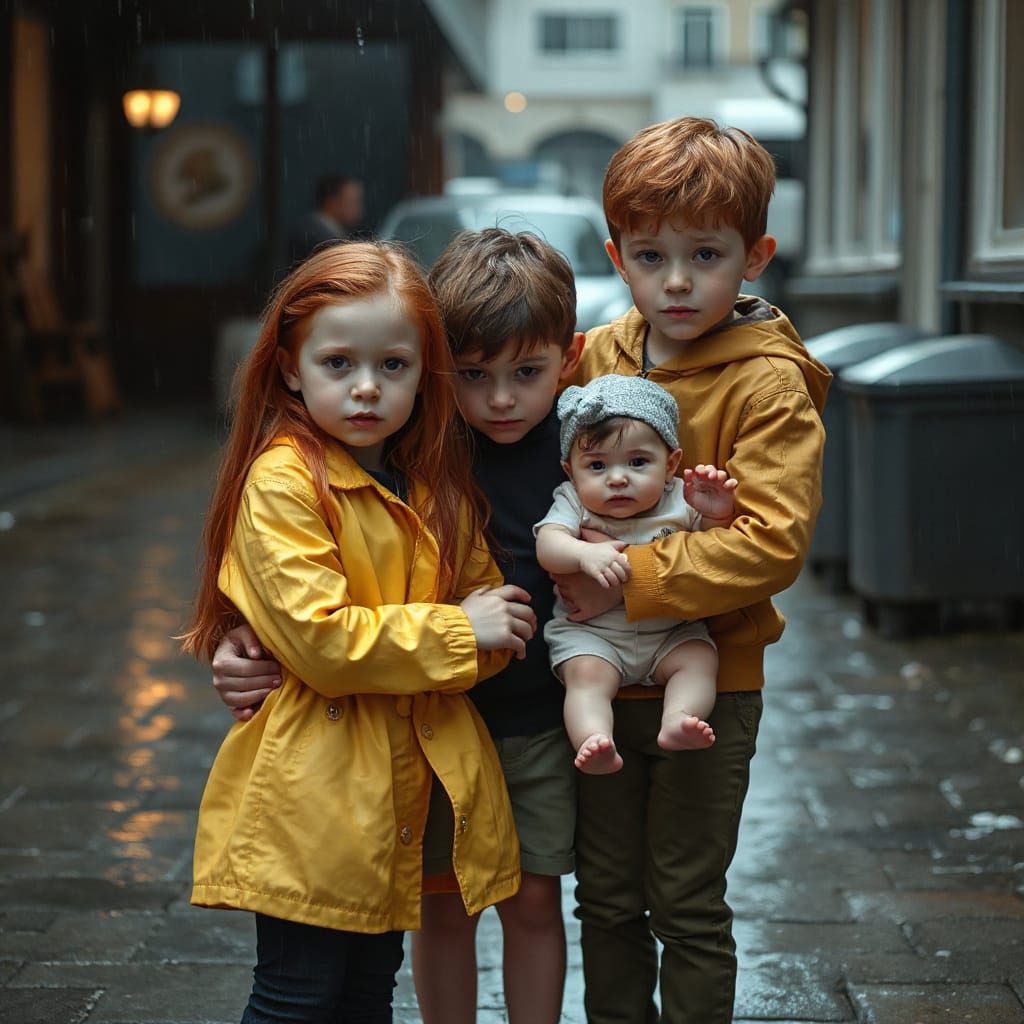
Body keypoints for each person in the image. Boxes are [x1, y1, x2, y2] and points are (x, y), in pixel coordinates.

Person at [208, 227, 585, 1024]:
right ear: (290, 367)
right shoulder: (286, 478)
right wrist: (457, 633)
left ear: (422, 372)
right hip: (315, 789)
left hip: (394, 784)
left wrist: (478, 638)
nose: (368, 389)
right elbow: (324, 640)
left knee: (364, 993)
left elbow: (494, 614)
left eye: (393, 366)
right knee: (296, 996)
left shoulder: (428, 478)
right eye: (338, 365)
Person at [549, 116, 831, 1023]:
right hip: (592, 683)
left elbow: (771, 543)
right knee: (605, 900)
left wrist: (632, 575)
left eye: (705, 255)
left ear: (755, 256)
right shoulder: (596, 355)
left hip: (710, 686)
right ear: (616, 255)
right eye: (650, 256)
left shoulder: (768, 385)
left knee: (686, 901)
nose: (676, 282)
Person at [535, 374, 737, 774]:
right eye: (596, 465)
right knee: (586, 679)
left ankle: (679, 719)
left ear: (671, 464)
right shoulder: (573, 501)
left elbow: (714, 554)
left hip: (670, 633)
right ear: (570, 471)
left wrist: (716, 514)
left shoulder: (681, 498)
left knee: (698, 660)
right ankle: (594, 739)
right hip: (595, 635)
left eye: (638, 462)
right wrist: (581, 555)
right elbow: (548, 544)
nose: (617, 478)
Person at [287, 174, 364, 266]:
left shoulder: (315, 230)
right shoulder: (319, 237)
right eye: (353, 201)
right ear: (331, 202)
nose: (360, 209)